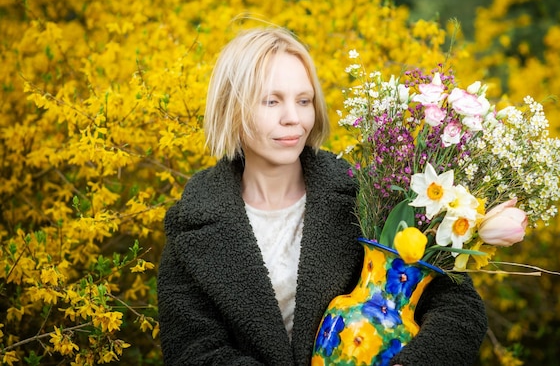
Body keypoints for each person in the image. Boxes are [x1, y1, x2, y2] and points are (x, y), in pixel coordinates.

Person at [156, 26, 488, 365]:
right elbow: (193, 351)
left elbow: (459, 307)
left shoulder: (366, 197)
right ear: (233, 108)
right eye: (272, 101)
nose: (294, 118)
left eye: (304, 101)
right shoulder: (193, 225)